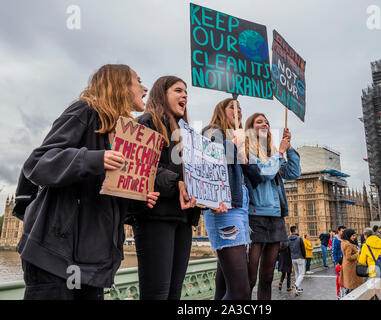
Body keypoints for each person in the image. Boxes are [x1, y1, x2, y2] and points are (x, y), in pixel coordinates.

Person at [17, 64, 160, 300]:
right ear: (120, 85)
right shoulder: (84, 111)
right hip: (55, 256)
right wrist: (93, 158)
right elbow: (38, 163)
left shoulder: (126, 135)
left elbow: (105, 201)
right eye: (138, 81)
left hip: (94, 264)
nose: (145, 88)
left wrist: (139, 199)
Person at [129, 76, 200, 300]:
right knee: (156, 293)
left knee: (174, 293)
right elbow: (142, 167)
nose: (185, 96)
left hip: (183, 220)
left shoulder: (188, 135)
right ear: (162, 94)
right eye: (178, 90)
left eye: (186, 92)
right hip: (155, 217)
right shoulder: (146, 122)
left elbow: (195, 176)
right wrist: (176, 183)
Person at [202, 98, 262, 300]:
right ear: (221, 110)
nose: (238, 112)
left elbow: (257, 176)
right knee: (240, 291)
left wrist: (244, 152)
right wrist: (234, 145)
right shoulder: (211, 131)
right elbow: (212, 157)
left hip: (240, 209)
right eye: (232, 108)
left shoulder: (237, 138)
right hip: (224, 209)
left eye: (240, 109)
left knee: (224, 287)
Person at [244, 113, 301, 300]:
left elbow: (293, 172)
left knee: (268, 277)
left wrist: (288, 147)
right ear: (251, 128)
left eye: (267, 122)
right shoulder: (246, 150)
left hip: (276, 217)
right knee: (250, 277)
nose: (265, 124)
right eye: (259, 121)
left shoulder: (272, 152)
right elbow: (264, 173)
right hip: (255, 215)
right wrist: (279, 154)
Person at [339, 229, 363, 296]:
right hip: (351, 267)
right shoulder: (349, 245)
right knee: (352, 285)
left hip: (347, 265)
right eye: (352, 235)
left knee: (348, 285)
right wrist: (358, 254)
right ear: (348, 235)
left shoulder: (344, 242)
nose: (354, 237)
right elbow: (349, 257)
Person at [288, 226, 306, 296]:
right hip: (300, 258)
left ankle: (298, 288)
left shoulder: (288, 238)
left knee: (297, 273)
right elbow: (303, 249)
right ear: (295, 230)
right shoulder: (299, 238)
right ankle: (295, 285)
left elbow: (288, 249)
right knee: (301, 274)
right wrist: (304, 257)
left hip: (293, 258)